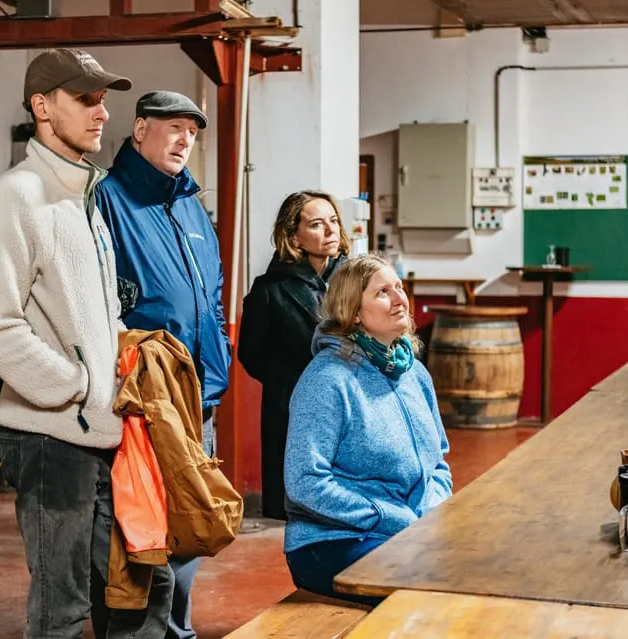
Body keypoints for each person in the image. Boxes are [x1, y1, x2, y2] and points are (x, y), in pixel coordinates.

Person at [0, 48, 173, 639]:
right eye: (85, 99)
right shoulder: (18, 194)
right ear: (41, 106)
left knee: (140, 589)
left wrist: (122, 363)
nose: (101, 112)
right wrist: (76, 385)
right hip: (50, 436)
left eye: (102, 100)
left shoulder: (83, 196)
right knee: (61, 610)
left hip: (105, 429)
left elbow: (91, 313)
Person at [94, 90, 231, 639]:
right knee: (140, 528)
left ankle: (176, 629)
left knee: (188, 520)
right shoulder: (107, 199)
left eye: (192, 133)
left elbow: (213, 298)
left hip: (199, 395)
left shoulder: (192, 206)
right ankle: (134, 631)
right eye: (174, 127)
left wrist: (219, 354)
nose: (184, 140)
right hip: (145, 398)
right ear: (140, 129)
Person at [283, 254, 453, 607]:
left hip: (408, 530)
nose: (399, 299)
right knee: (430, 587)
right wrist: (389, 517)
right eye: (382, 292)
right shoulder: (327, 380)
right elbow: (304, 482)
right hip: (335, 539)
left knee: (479, 568)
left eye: (399, 288)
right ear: (354, 313)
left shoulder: (414, 374)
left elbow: (438, 462)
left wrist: (430, 512)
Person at [237, 190, 351, 520]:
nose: (330, 230)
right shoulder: (269, 289)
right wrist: (291, 382)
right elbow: (251, 354)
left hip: (347, 400)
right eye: (316, 224)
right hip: (291, 405)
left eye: (333, 221)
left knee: (345, 502)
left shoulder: (353, 281)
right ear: (294, 236)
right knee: (292, 509)